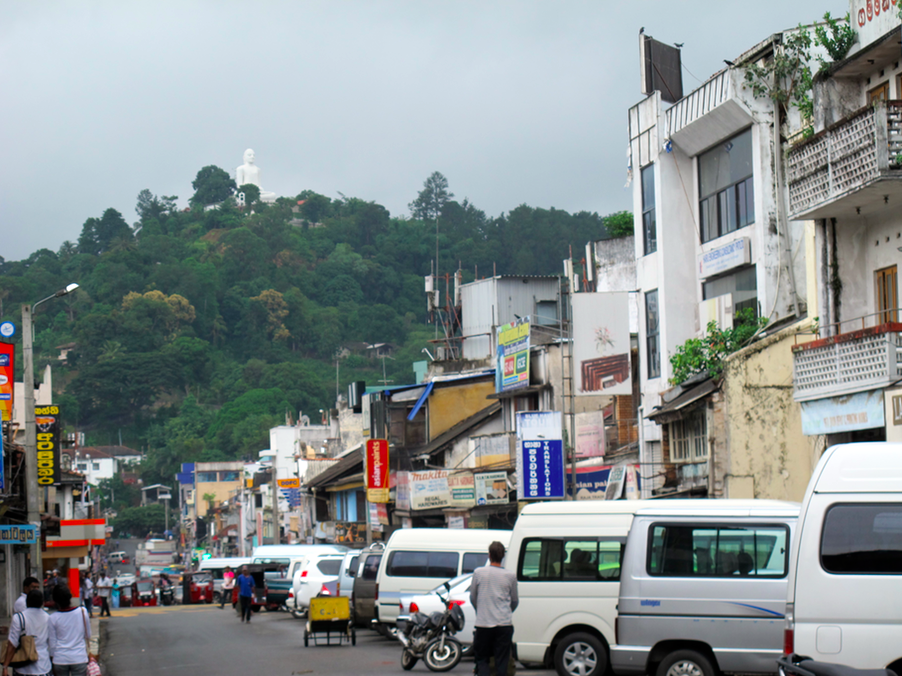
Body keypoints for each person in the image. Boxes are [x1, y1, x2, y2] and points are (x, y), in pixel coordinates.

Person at [470, 541, 519, 676]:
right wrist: (506, 611)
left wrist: (481, 610)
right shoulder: (510, 576)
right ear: (503, 556)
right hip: (504, 624)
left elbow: (473, 597)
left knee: (482, 659)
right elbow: (514, 601)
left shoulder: (478, 573)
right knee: (502, 661)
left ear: (489, 555)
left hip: (483, 624)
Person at [2, 589, 52, 676]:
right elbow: (51, 643)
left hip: (23, 665)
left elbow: (12, 644)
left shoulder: (19, 618)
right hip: (43, 665)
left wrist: (5, 666)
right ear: (42, 603)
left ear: (27, 602)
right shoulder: (48, 618)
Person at [48, 586, 90, 676]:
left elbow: (52, 644)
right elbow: (88, 635)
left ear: (55, 601)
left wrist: (52, 660)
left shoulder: (52, 618)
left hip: (60, 659)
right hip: (79, 657)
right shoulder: (82, 611)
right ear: (70, 597)